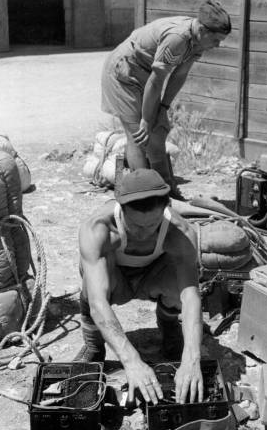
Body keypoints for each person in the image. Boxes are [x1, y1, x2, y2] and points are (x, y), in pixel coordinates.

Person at [75, 169, 203, 405]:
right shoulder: (97, 229)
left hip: (153, 276)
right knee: (90, 284)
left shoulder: (181, 232)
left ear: (165, 210)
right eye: (136, 226)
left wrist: (192, 357)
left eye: (152, 225)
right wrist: (132, 361)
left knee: (184, 285)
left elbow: (191, 297)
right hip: (117, 278)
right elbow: (97, 302)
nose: (144, 234)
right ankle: (94, 345)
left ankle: (168, 325)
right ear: (121, 209)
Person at [101, 0, 231, 200]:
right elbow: (156, 81)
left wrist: (163, 108)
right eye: (216, 40)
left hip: (145, 75)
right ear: (203, 30)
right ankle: (144, 196)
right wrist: (145, 119)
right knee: (139, 135)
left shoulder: (198, 40)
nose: (218, 45)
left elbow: (179, 75)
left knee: (158, 131)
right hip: (123, 72)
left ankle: (167, 191)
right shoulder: (177, 38)